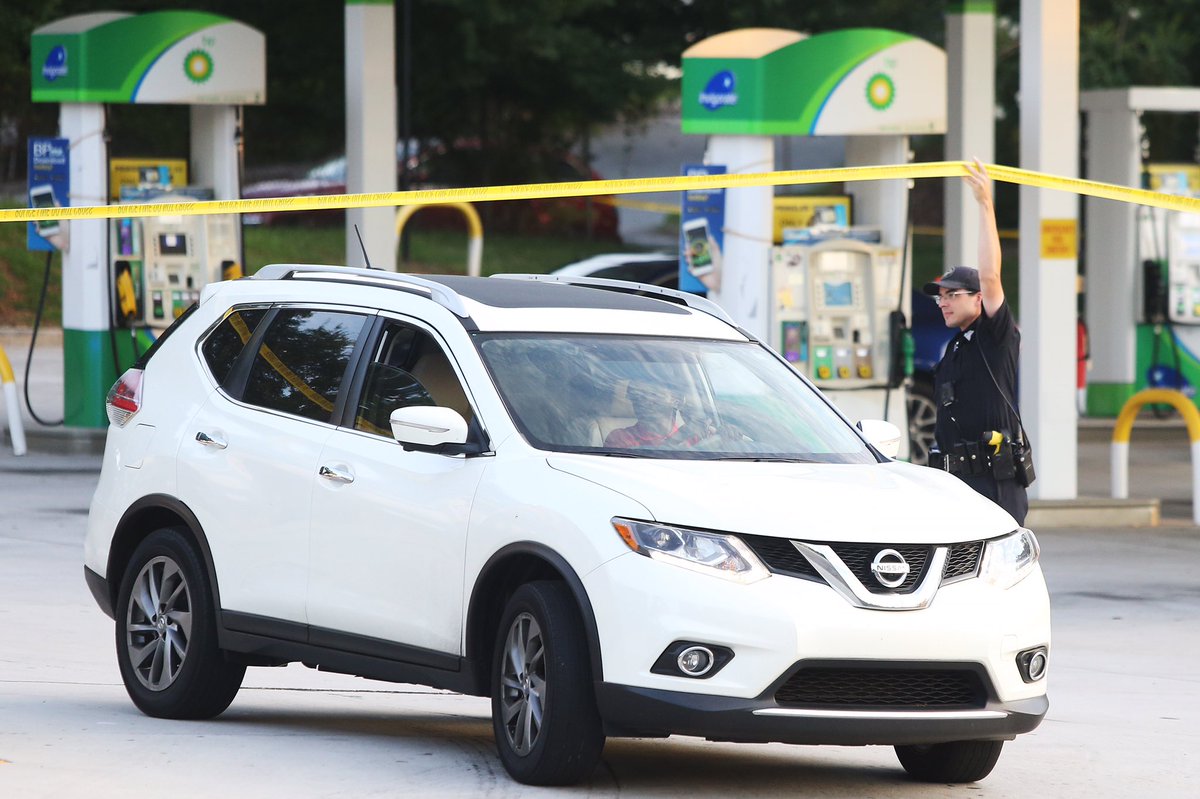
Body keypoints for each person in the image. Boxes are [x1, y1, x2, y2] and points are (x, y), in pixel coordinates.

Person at [923, 159, 1029, 524]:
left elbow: (990, 274)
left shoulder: (994, 335)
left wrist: (986, 204)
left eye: (952, 295)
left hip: (992, 481)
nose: (943, 302)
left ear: (978, 298)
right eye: (941, 296)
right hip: (954, 481)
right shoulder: (954, 347)